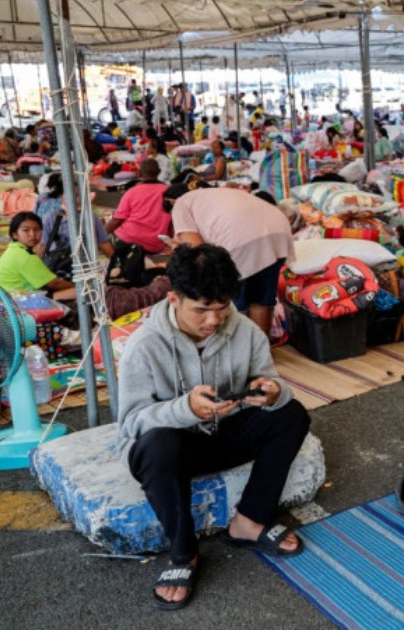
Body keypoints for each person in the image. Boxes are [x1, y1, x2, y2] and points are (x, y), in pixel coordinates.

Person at [117, 244, 311, 610]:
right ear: (174, 298)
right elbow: (131, 423)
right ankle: (183, 553)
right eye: (201, 310)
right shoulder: (143, 346)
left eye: (222, 308)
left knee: (291, 413)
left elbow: (268, 379)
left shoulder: (247, 331)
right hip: (174, 451)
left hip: (224, 434)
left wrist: (271, 392)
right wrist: (184, 408)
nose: (213, 321)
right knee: (159, 445)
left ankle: (249, 522)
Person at [164, 184, 294, 334]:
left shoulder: (180, 204)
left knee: (228, 302)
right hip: (279, 230)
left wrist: (179, 251)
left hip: (239, 240)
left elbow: (197, 251)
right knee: (261, 300)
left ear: (171, 202)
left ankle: (234, 351)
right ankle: (261, 350)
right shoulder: (214, 193)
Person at [0, 212, 76, 301]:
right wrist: (76, 287)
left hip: (7, 297)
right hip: (19, 302)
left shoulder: (14, 249)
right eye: (26, 230)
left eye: (37, 230)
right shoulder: (24, 256)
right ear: (15, 234)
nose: (32, 234)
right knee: (81, 292)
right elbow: (54, 284)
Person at [37, 173, 116, 259]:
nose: (74, 199)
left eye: (78, 195)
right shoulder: (50, 218)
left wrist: (117, 263)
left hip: (83, 267)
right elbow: (42, 245)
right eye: (70, 195)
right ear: (60, 196)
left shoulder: (91, 218)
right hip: (58, 266)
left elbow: (103, 244)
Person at [106, 160, 171, 254]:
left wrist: (101, 234)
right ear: (159, 172)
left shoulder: (132, 192)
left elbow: (117, 220)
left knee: (106, 235)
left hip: (129, 241)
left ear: (139, 173)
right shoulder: (169, 191)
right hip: (155, 245)